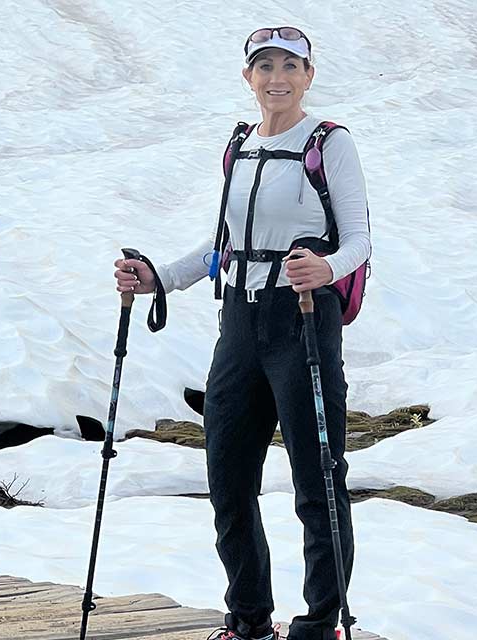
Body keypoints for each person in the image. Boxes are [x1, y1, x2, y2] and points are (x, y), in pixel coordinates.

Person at [113, 26, 371, 640]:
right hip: (239, 321)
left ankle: (319, 625)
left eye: (289, 66)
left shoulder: (329, 143)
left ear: (309, 75)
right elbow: (222, 243)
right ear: (248, 77)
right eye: (264, 66)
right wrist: (161, 278)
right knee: (227, 481)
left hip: (303, 319)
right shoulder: (240, 145)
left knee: (316, 482)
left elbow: (359, 237)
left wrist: (326, 267)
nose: (276, 77)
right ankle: (249, 621)